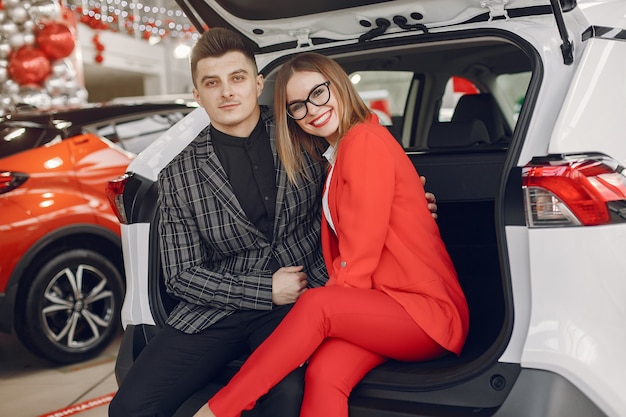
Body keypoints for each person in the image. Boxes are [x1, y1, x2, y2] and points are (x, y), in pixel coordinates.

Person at [109, 29, 438, 417]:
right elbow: (181, 276)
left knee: (283, 397)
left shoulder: (303, 132)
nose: (227, 92)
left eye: (237, 77)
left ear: (257, 82)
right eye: (212, 83)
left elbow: (363, 180)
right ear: (198, 96)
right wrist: (263, 289)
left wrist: (404, 204)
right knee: (129, 407)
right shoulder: (177, 174)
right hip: (216, 310)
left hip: (301, 301)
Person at [193, 52, 470, 417]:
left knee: (317, 305)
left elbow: (360, 253)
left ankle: (220, 409)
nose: (312, 109)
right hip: (385, 305)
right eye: (297, 105)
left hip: (424, 313)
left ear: (338, 86)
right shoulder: (337, 154)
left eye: (319, 93)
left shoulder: (364, 140)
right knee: (325, 373)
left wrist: (333, 314)